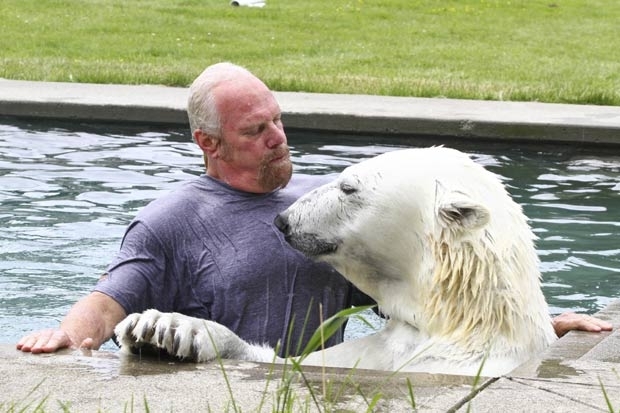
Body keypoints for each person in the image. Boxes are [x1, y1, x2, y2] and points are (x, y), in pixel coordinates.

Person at [17, 62, 612, 356]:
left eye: (278, 119)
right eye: (257, 129)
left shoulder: (324, 210)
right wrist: (66, 340)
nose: (279, 136)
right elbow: (112, 296)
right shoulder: (174, 221)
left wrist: (537, 319)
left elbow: (413, 291)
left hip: (319, 383)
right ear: (210, 143)